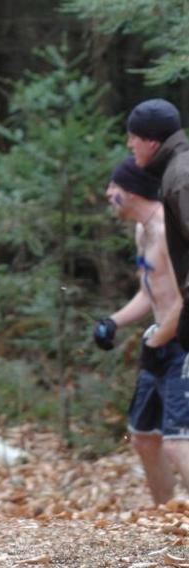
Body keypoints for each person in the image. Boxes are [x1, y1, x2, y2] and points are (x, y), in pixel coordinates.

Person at [94, 157, 189, 503]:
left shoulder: (167, 231)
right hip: (159, 342)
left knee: (179, 443)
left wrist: (159, 338)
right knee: (144, 438)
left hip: (181, 343)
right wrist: (113, 322)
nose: (108, 194)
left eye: (114, 187)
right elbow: (151, 291)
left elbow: (184, 299)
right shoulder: (142, 231)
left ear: (132, 191)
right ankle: (169, 516)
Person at [124, 99, 189, 349]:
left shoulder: (181, 176)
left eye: (133, 138)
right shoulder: (177, 170)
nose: (130, 144)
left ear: (151, 141)